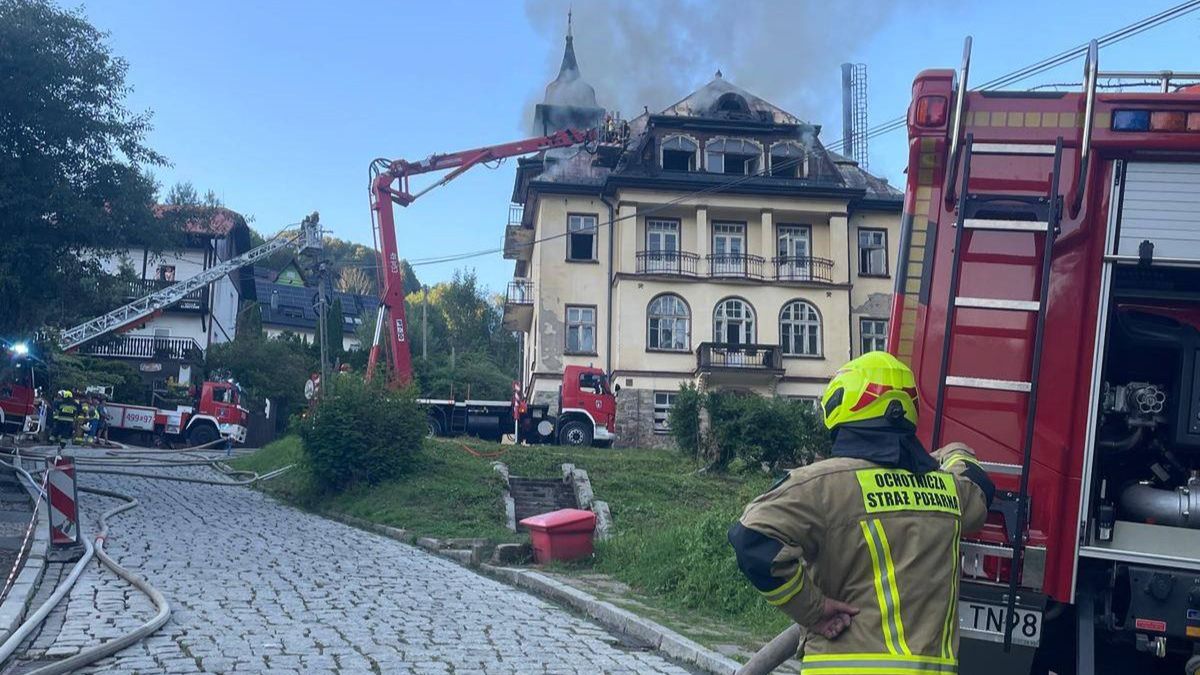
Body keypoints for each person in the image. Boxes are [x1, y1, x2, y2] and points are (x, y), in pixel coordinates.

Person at [728, 352, 995, 674]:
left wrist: (814, 610)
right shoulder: (949, 490)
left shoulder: (821, 485)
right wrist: (948, 452)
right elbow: (979, 482)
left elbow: (751, 541)